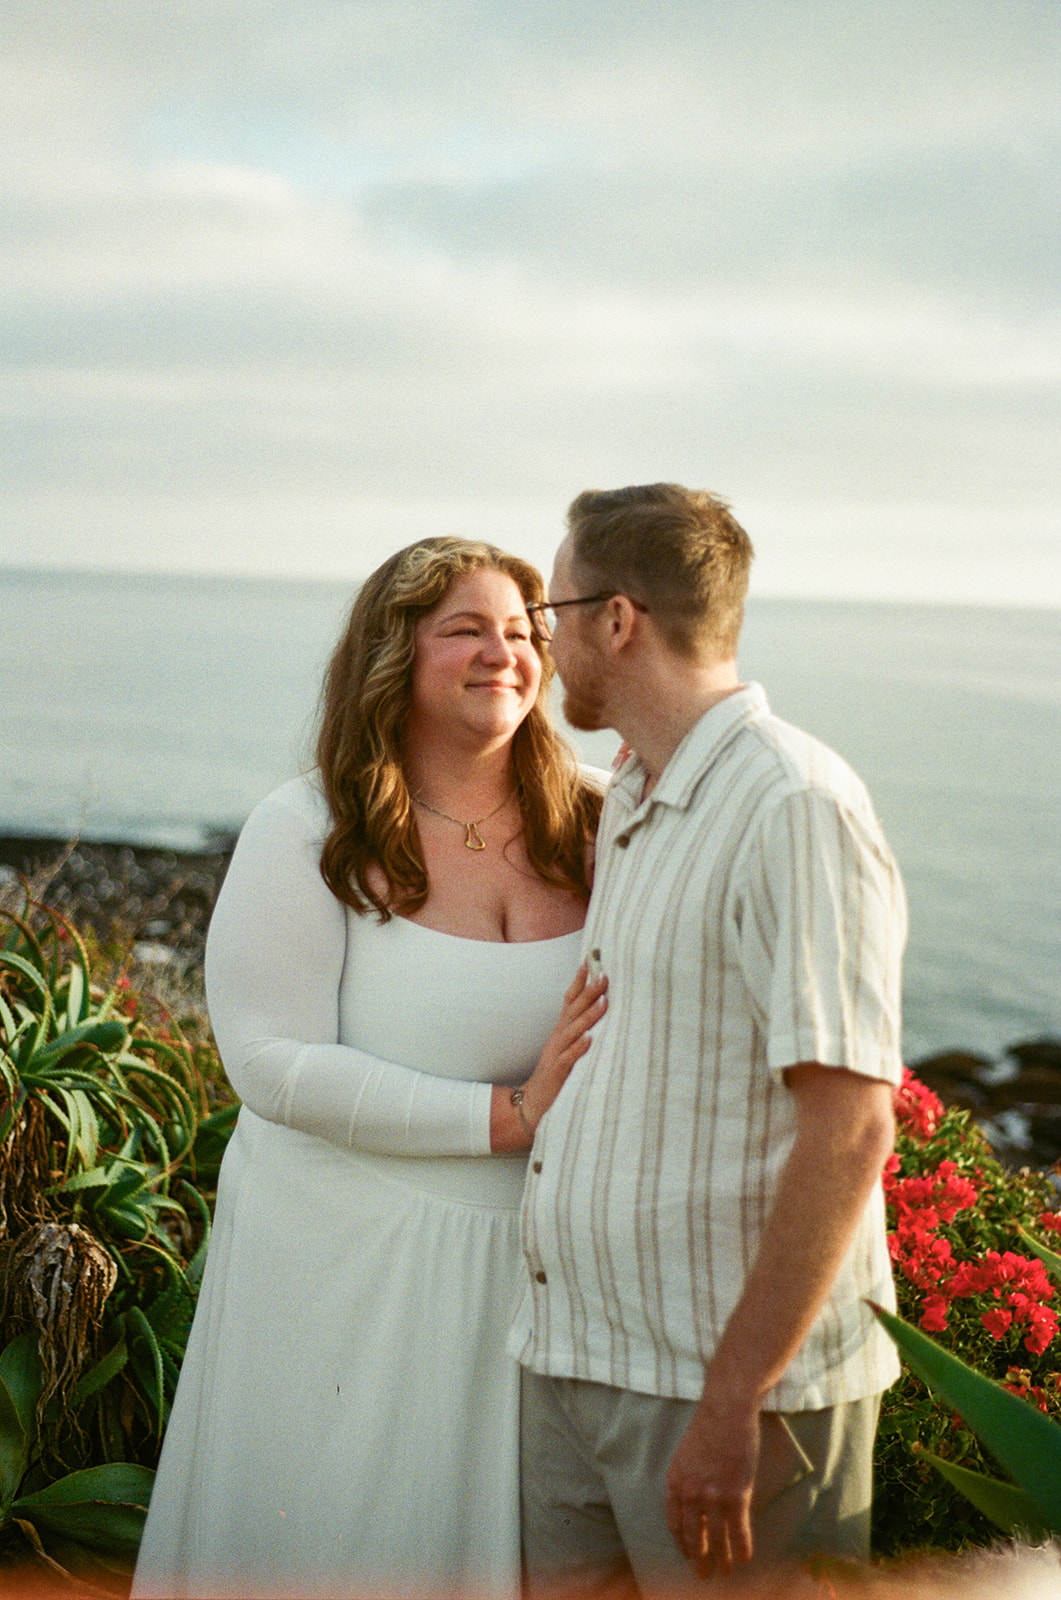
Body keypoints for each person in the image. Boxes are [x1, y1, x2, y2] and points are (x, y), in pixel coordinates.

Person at [132, 537, 607, 1600]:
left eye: (527, 630)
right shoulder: (305, 828)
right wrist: (507, 1113)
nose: (507, 652)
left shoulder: (603, 816)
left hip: (536, 1267)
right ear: (395, 651)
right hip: (345, 1266)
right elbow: (265, 1061)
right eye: (467, 629)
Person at [512, 484, 907, 1594]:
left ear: (617, 619)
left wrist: (734, 1400)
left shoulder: (791, 805)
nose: (542, 647)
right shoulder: (632, 796)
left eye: (549, 615)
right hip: (579, 1363)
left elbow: (847, 1129)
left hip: (729, 1399)